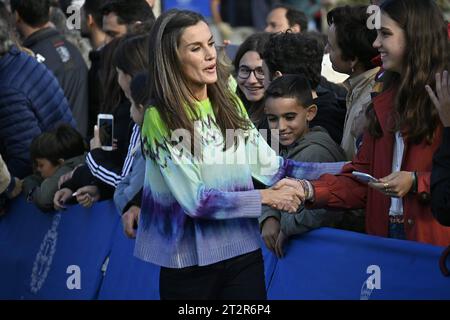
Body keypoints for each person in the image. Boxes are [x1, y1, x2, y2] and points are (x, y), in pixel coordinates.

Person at [136, 9, 345, 300]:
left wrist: (349, 170)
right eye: (196, 48)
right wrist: (267, 197)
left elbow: (272, 167)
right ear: (172, 58)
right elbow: (197, 201)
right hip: (189, 267)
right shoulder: (159, 118)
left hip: (244, 254)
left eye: (210, 43)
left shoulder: (228, 95)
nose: (210, 55)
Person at [276, 0, 450, 246]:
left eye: (385, 34)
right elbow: (363, 177)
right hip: (384, 239)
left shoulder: (444, 96)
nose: (376, 43)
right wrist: (309, 190)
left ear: (415, 37)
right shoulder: (383, 98)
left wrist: (415, 182)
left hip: (433, 245)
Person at [260, 74, 346, 257]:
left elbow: (326, 210)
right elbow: (272, 188)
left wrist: (285, 226)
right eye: (272, 119)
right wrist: (269, 217)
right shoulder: (285, 150)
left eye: (289, 117)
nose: (280, 127)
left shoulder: (317, 154)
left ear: (310, 113)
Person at [0, 13, 75, 180]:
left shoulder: (7, 89)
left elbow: (25, 160)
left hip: (52, 180)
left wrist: (5, 188)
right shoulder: (18, 58)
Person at [11, 0, 89, 137]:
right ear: (49, 12)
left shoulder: (27, 65)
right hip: (78, 149)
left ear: (16, 16)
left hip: (50, 152)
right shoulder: (75, 52)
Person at [263, 31, 347, 145]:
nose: (261, 83)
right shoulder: (336, 112)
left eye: (263, 74)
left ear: (278, 78)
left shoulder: (316, 139)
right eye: (272, 119)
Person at [326, 5, 380, 160]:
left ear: (352, 59)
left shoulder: (370, 100)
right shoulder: (357, 89)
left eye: (331, 46)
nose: (326, 49)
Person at [22, 124, 86, 212]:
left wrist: (30, 187)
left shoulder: (67, 168)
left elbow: (44, 198)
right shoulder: (78, 159)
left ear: (60, 162)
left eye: (41, 165)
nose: (38, 169)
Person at [115, 72, 148, 238]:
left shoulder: (147, 143)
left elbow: (126, 198)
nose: (129, 111)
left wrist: (119, 191)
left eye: (131, 104)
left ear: (140, 107)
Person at [233, 32, 270, 128]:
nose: (251, 80)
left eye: (261, 71)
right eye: (245, 70)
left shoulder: (279, 122)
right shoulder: (230, 109)